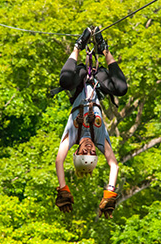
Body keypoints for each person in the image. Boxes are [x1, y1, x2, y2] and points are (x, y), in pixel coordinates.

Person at [55, 27, 127, 219]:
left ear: (76, 151)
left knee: (64, 80)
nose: (89, 149)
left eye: (84, 152)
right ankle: (104, 49)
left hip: (78, 81)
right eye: (92, 153)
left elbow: (59, 161)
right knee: (121, 88)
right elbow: (114, 165)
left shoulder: (71, 136)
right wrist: (110, 194)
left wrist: (63, 189)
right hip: (97, 80)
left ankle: (78, 46)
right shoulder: (100, 139)